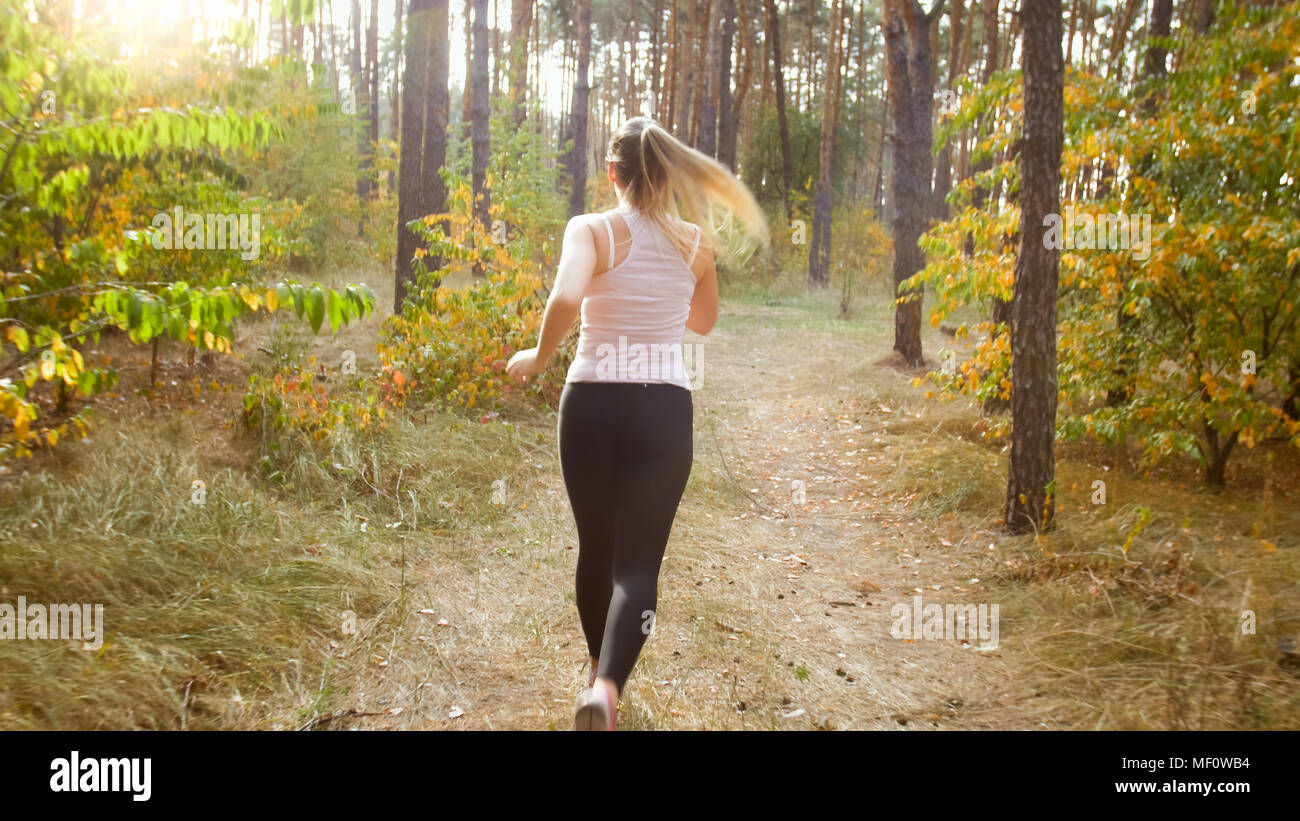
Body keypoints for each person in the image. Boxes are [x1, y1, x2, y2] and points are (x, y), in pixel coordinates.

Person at [506, 116, 767, 730]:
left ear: (612, 173)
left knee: (595, 547)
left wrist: (536, 357)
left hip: (591, 405)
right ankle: (607, 693)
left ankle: (595, 670)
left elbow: (568, 298)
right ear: (671, 177)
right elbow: (702, 323)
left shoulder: (590, 230)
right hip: (663, 410)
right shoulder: (695, 244)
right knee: (638, 566)